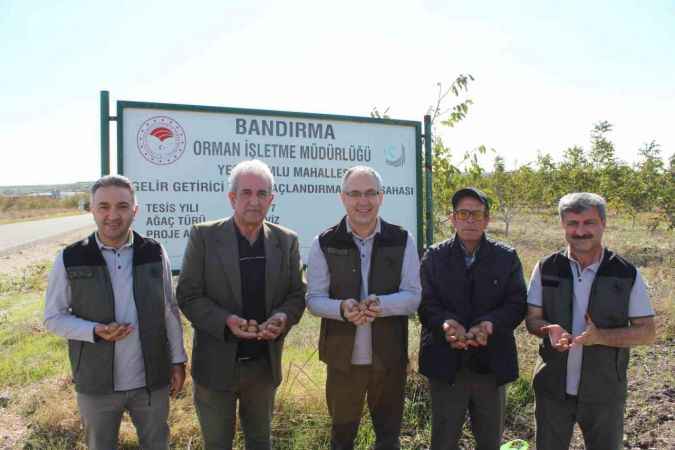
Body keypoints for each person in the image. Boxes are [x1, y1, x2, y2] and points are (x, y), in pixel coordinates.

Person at [44, 175, 187, 450]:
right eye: (104, 207)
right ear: (92, 210)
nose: (113, 215)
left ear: (135, 210)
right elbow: (53, 318)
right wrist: (94, 331)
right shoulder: (70, 258)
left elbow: (168, 308)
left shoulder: (154, 252)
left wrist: (178, 360)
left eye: (122, 206)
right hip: (96, 384)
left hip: (151, 381)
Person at [176, 159, 306, 450]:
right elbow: (188, 295)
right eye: (246, 193)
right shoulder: (204, 237)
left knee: (260, 442)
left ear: (271, 200)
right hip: (216, 366)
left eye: (262, 194)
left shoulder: (286, 241)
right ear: (231, 197)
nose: (254, 201)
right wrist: (226, 322)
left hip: (263, 366)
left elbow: (297, 294)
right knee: (217, 444)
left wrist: (282, 317)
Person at [526, 192, 656, 450]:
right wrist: (547, 330)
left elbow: (647, 332)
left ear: (603, 224)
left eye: (589, 222)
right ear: (563, 225)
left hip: (605, 391)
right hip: (552, 388)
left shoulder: (625, 273)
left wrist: (601, 337)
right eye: (573, 223)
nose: (580, 231)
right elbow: (532, 319)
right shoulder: (546, 268)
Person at [306, 165, 421, 450]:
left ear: (381, 197)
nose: (363, 201)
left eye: (370, 193)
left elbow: (414, 295)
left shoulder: (402, 239)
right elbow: (314, 299)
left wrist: (382, 305)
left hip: (389, 360)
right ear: (343, 198)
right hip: (342, 363)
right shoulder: (324, 242)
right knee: (342, 439)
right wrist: (342, 310)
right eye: (355, 193)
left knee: (388, 438)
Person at [418, 187, 527, 450]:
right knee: (443, 440)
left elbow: (516, 304)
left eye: (476, 214)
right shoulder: (434, 256)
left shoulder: (506, 257)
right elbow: (425, 302)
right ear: (453, 218)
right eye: (463, 213)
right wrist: (445, 324)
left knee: (489, 440)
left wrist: (489, 324)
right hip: (446, 364)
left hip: (490, 363)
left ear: (487, 219)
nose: (470, 220)